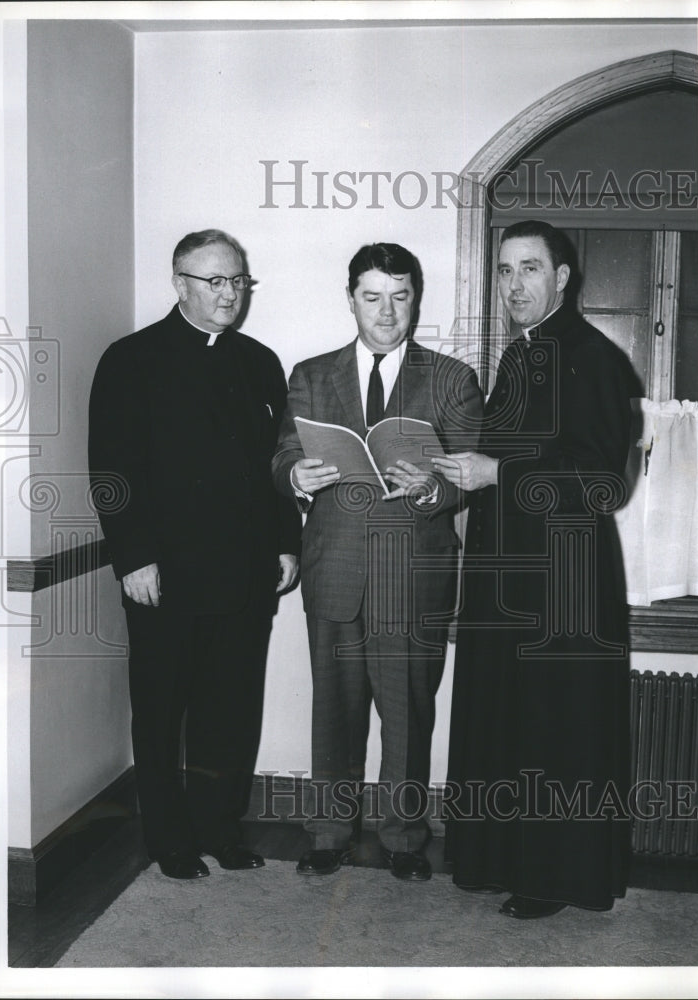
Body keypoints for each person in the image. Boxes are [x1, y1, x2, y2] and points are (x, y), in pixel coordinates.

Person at [433, 220, 639, 918]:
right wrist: (455, 474)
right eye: (503, 270)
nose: (513, 284)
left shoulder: (594, 359)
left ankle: (551, 876)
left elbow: (605, 481)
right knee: (508, 719)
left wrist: (496, 470)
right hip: (508, 574)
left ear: (562, 279)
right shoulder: (522, 355)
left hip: (565, 581)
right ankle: (498, 860)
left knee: (554, 726)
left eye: (528, 269)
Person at [88, 229, 300, 880]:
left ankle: (220, 828)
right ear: (179, 283)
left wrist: (287, 544)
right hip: (165, 574)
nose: (230, 294)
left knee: (230, 711)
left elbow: (276, 463)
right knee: (160, 712)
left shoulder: (260, 361)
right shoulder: (130, 359)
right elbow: (112, 469)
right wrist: (134, 558)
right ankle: (169, 839)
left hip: (244, 573)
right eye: (215, 281)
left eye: (238, 281)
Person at [272, 243, 482, 880]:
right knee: (333, 709)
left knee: (408, 713)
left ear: (415, 298)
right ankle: (329, 832)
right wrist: (296, 476)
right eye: (372, 297)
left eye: (400, 296)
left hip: (413, 573)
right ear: (351, 300)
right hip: (335, 567)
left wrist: (432, 488)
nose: (387, 312)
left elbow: (467, 477)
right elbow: (282, 455)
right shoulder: (310, 374)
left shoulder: (452, 378)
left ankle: (404, 838)